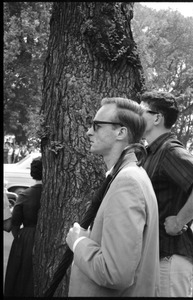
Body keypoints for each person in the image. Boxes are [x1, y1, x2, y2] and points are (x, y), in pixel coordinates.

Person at [66, 97, 160, 297]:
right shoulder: (128, 176)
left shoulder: (127, 182)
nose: (88, 131)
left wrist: (78, 242)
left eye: (97, 125)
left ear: (121, 132)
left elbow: (115, 273)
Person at [140, 91, 193, 297]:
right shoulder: (151, 152)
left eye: (140, 111)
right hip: (156, 258)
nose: (135, 116)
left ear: (156, 118)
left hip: (171, 260)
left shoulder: (169, 150)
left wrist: (181, 220)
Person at [4, 157, 42, 297]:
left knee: (21, 276)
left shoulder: (24, 195)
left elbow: (14, 223)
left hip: (26, 236)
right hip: (44, 236)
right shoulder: (53, 194)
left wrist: (21, 236)